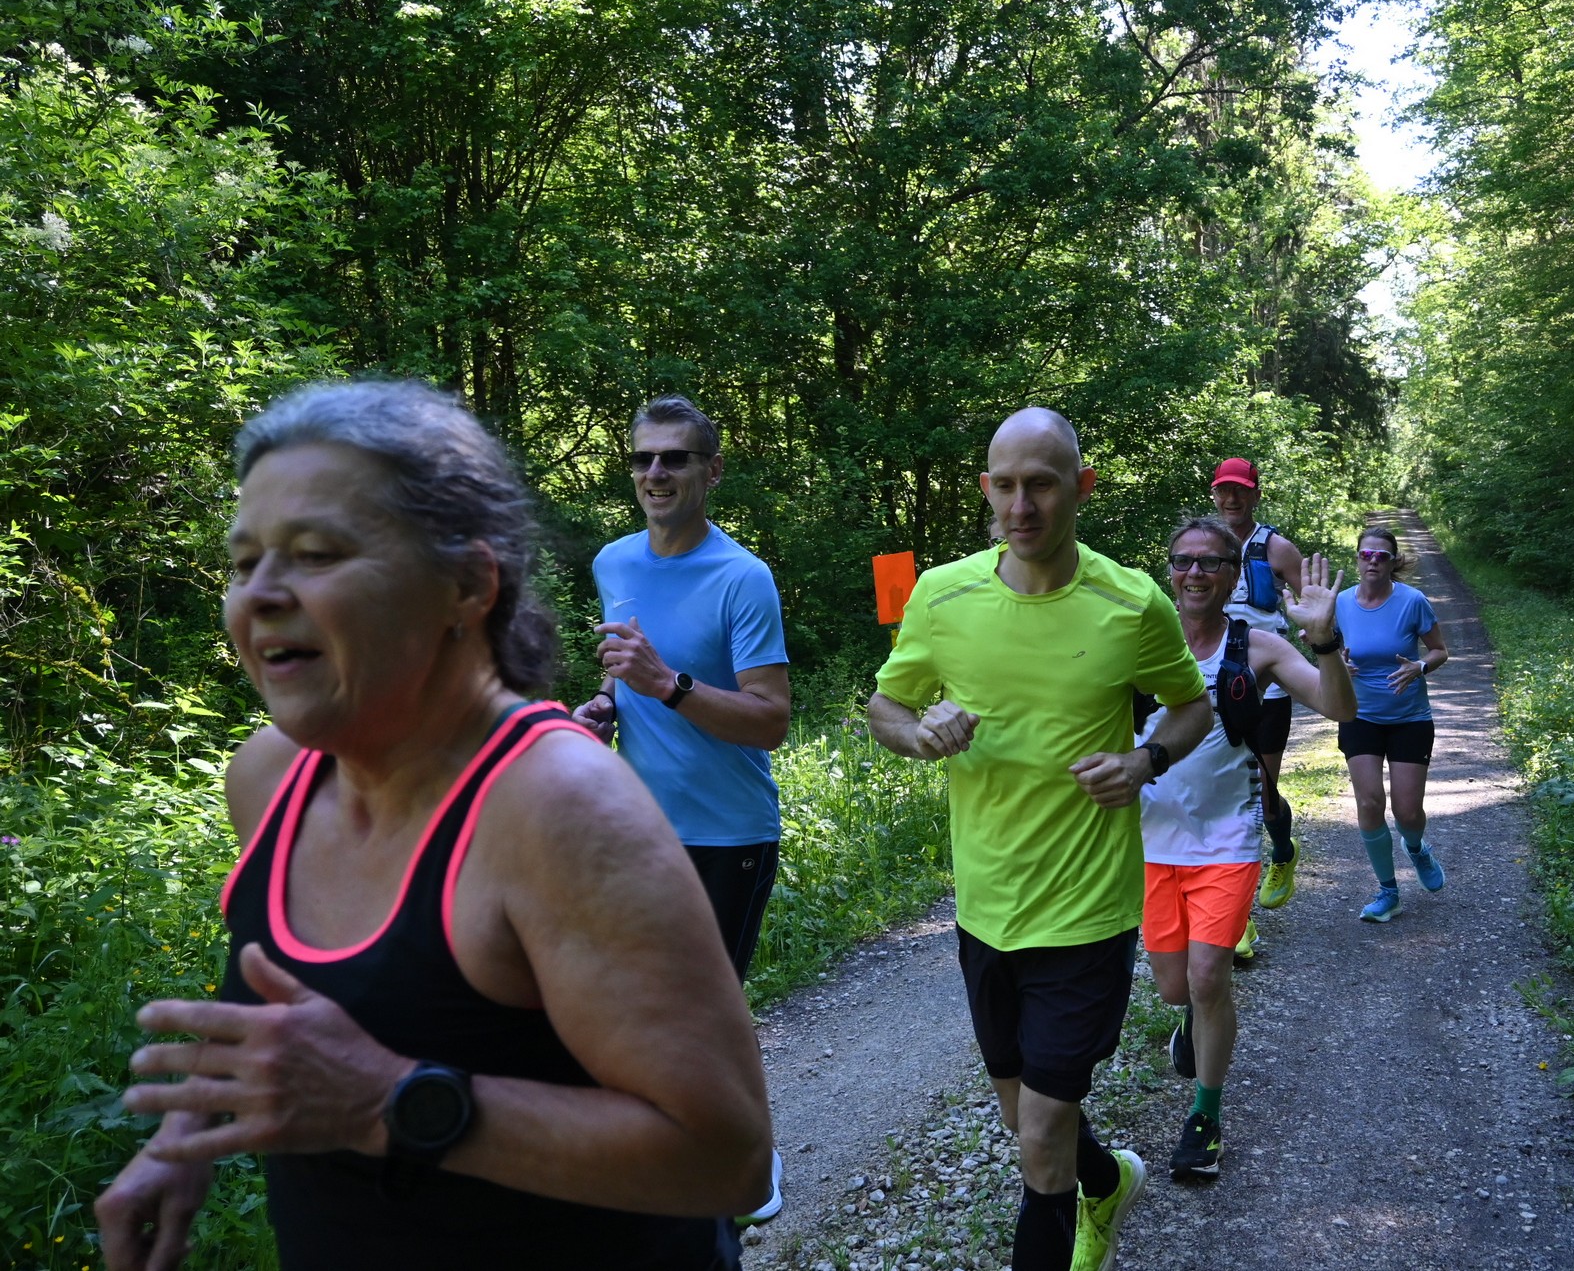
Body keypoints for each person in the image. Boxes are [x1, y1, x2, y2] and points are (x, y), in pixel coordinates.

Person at [97, 380, 773, 1271]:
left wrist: (389, 1102)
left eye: (316, 553)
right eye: (242, 561)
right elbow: (276, 994)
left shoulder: (561, 807)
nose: (258, 594)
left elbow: (726, 1156)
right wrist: (184, 1134)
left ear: (467, 583)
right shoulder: (268, 776)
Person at [867, 408, 1212, 1271]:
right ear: (986, 488)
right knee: (1026, 1120)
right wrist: (918, 732)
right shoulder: (942, 595)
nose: (1021, 506)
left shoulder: (1131, 600)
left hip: (1088, 910)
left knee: (1043, 1131)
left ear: (1081, 488)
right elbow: (886, 705)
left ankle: (1074, 1208)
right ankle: (1109, 1180)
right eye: (1006, 485)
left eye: (1042, 485)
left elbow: (1192, 705)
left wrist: (1144, 759)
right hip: (986, 906)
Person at [569, 393, 792, 1226]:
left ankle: (749, 1158)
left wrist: (668, 684)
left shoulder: (743, 577)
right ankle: (669, 1158)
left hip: (730, 831)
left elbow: (770, 718)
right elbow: (625, 678)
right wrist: (606, 705)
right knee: (640, 1006)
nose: (655, 472)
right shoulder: (613, 563)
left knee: (709, 1010)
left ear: (712, 470)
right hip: (638, 828)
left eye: (674, 457)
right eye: (643, 458)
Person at [1138, 516, 1355, 1180]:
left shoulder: (1257, 646)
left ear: (1234, 575)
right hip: (1149, 842)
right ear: (1169, 571)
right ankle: (1192, 1024)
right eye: (1184, 560)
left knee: (1209, 977)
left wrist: (1325, 640)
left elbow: (1339, 707)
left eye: (1211, 562)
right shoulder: (1136, 644)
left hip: (1226, 840)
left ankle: (1205, 1118)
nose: (1195, 572)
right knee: (1175, 986)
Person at [1207, 458, 1307, 938]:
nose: (1232, 499)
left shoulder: (1277, 548)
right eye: (1224, 491)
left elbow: (1313, 604)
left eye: (1241, 491)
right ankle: (1238, 918)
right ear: (1214, 494)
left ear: (1255, 495)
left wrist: (1324, 638)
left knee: (1264, 799)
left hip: (1269, 685)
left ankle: (1283, 851)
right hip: (1217, 683)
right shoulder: (1206, 546)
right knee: (1227, 797)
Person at [1336, 524, 1450, 922]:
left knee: (1407, 813)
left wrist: (1419, 667)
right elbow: (1325, 645)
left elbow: (1439, 650)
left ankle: (1416, 849)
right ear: (1357, 559)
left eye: (1381, 556)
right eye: (1366, 555)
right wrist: (1337, 663)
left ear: (1392, 562)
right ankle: (1388, 892)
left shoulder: (1412, 601)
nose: (1372, 562)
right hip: (1359, 715)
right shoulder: (1341, 602)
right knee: (1369, 803)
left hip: (1409, 718)